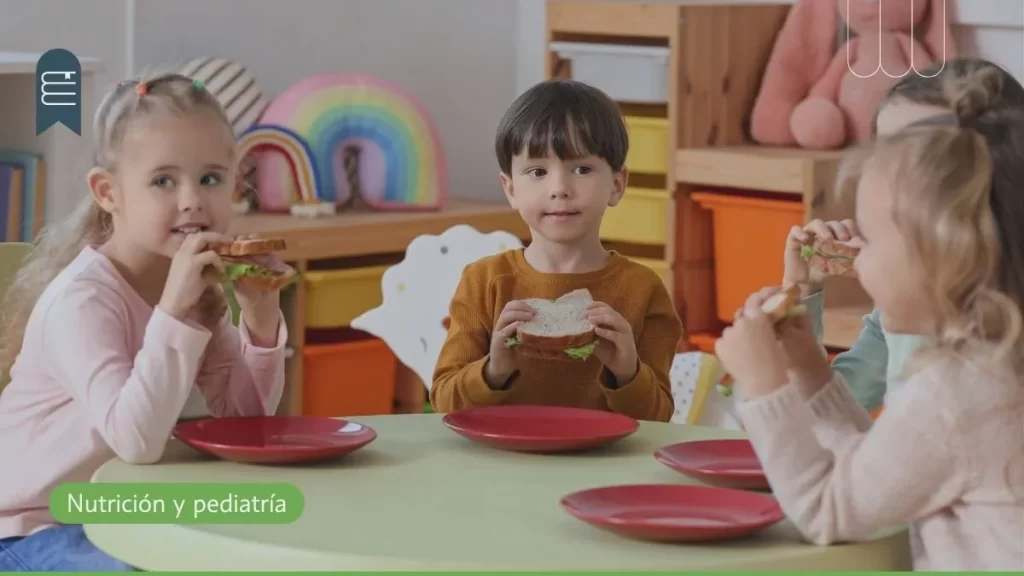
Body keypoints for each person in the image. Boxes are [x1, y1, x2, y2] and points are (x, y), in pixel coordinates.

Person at [715, 67, 1024, 570]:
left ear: (944, 253)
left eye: (874, 239)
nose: (857, 259)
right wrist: (811, 373)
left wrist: (769, 388)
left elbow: (827, 509)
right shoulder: (988, 368)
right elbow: (875, 466)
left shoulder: (953, 387)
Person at [0, 74, 288, 571]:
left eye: (211, 178)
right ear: (108, 192)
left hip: (123, 508)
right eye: (163, 181)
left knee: (273, 535)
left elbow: (246, 429)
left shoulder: (190, 284)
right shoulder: (83, 303)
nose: (192, 199)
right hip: (35, 524)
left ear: (235, 184)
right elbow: (134, 441)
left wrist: (261, 322)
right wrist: (174, 313)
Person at [778, 58, 1024, 412]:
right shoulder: (898, 309)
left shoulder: (998, 325)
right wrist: (803, 292)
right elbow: (834, 406)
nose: (895, 174)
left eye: (926, 154)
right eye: (887, 152)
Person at [429, 79, 681, 421]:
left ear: (617, 185)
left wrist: (628, 371)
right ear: (511, 188)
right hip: (502, 465)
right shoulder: (483, 281)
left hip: (605, 467)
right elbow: (444, 400)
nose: (560, 188)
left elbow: (659, 417)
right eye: (537, 171)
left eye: (582, 169)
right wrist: (494, 370)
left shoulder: (644, 289)